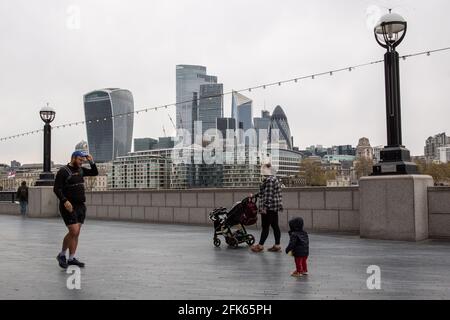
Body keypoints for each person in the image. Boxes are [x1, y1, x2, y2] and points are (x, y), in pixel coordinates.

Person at [53, 151, 98, 269]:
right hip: (68, 206)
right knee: (73, 231)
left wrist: (91, 161)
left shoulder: (81, 170)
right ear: (73, 158)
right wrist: (64, 201)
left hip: (80, 206)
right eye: (80, 159)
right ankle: (62, 255)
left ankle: (71, 258)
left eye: (83, 160)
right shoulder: (63, 171)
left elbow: (94, 172)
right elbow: (56, 189)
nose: (81, 162)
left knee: (76, 233)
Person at [250, 163, 283, 253]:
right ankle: (277, 245)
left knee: (265, 226)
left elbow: (268, 196)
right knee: (275, 226)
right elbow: (265, 192)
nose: (262, 171)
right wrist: (255, 195)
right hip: (274, 207)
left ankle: (260, 246)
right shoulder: (273, 179)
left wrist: (264, 208)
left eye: (263, 169)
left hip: (268, 207)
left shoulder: (269, 180)